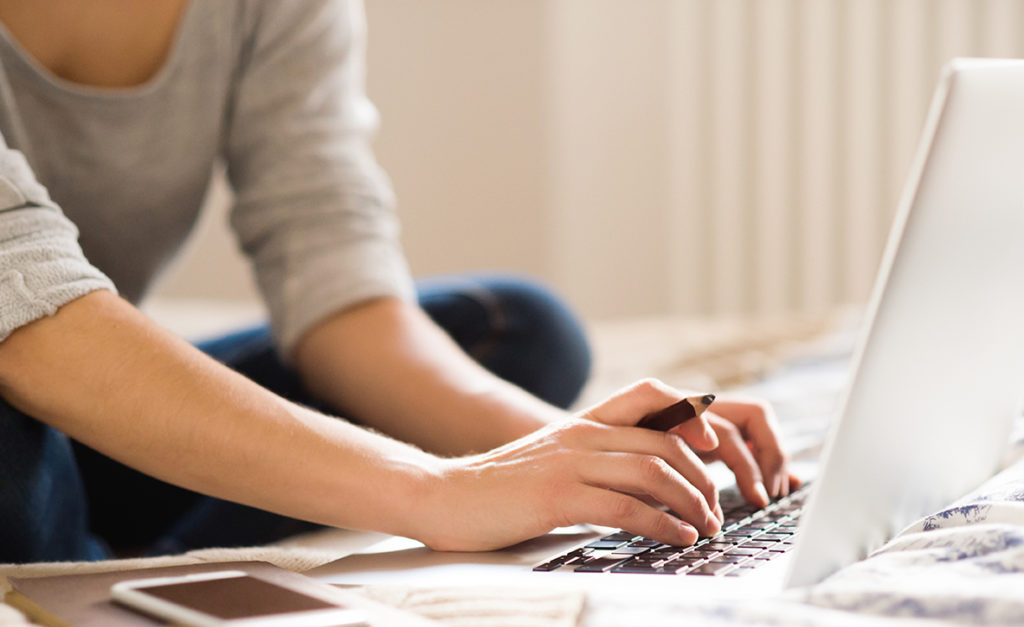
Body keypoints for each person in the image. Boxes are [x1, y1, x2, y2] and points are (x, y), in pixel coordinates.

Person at [0, 0, 796, 564]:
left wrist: (581, 460)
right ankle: (88, 553)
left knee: (518, 327)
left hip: (80, 409)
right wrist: (435, 492)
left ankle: (127, 548)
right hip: (24, 380)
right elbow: (29, 318)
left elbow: (337, 284)